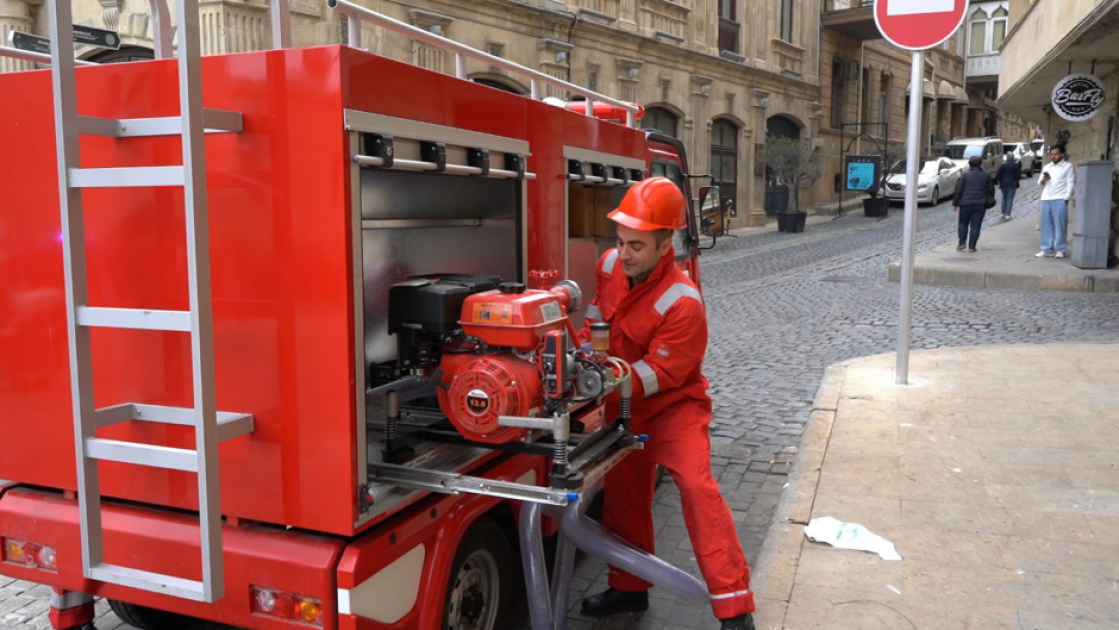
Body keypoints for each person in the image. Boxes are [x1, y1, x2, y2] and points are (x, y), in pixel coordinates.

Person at [578, 177, 755, 630]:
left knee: (697, 490)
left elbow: (661, 373)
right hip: (624, 404)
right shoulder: (609, 265)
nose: (624, 254)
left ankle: (735, 608)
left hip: (674, 409)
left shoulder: (683, 302)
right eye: (620, 241)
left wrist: (601, 381)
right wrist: (579, 355)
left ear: (665, 245)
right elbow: (596, 320)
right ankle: (628, 587)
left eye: (636, 245)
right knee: (624, 496)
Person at [1036, 144, 1076, 258]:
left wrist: (1066, 197)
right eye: (1052, 154)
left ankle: (1060, 249)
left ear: (1062, 154)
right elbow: (1039, 182)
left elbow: (1071, 182)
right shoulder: (1047, 167)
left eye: (1056, 154)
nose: (1053, 156)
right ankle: (1046, 248)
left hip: (1060, 198)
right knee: (1046, 225)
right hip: (1046, 198)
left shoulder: (1068, 166)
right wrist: (1044, 180)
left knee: (1060, 225)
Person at [952, 155, 995, 253]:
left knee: (963, 223)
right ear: (980, 164)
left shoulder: (964, 175)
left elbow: (958, 190)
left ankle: (962, 243)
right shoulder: (985, 176)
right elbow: (991, 190)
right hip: (980, 204)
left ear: (969, 164)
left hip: (965, 203)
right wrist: (988, 201)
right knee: (976, 226)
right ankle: (972, 246)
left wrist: (955, 203)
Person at [996, 152, 1021, 220]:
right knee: (1010, 199)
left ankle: (1002, 213)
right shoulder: (1015, 165)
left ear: (1007, 157)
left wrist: (1000, 181)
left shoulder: (1003, 165)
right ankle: (1008, 214)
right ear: (1013, 157)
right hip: (1012, 183)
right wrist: (1016, 181)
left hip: (1003, 183)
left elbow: (998, 175)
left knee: (1004, 198)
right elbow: (1017, 175)